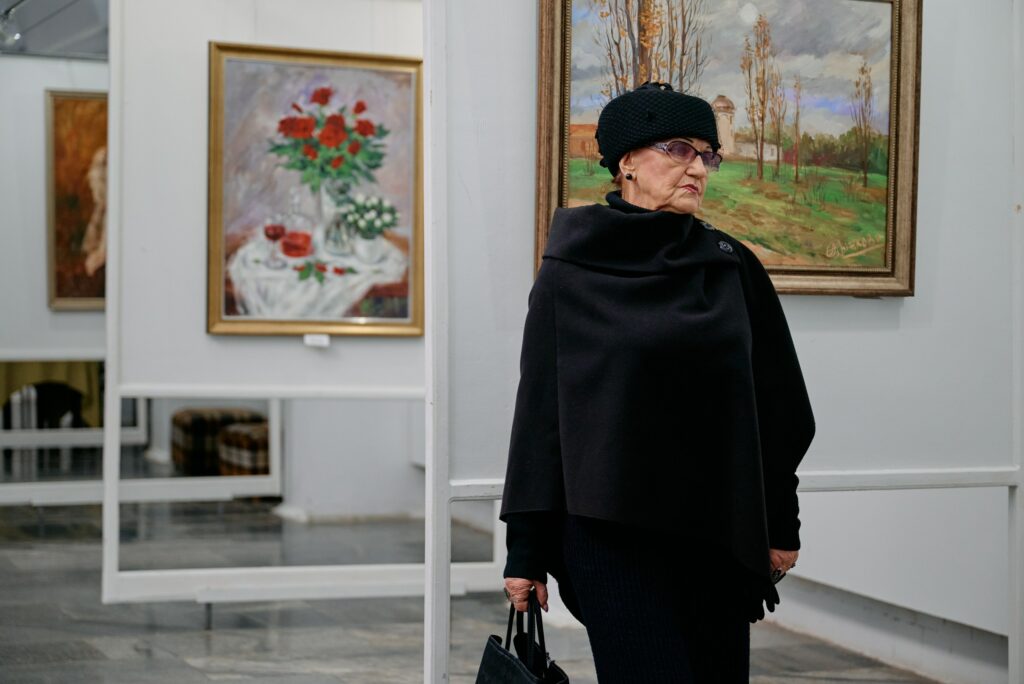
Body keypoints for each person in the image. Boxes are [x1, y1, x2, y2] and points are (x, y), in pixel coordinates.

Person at [498, 82, 816, 682]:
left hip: (716, 533)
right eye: (679, 149)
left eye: (707, 154)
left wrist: (781, 521)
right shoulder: (571, 270)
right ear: (626, 162)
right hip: (610, 535)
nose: (698, 168)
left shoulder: (731, 265)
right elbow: (541, 416)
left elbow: (779, 405)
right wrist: (526, 551)